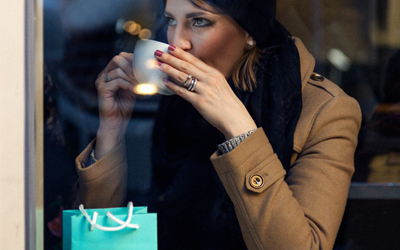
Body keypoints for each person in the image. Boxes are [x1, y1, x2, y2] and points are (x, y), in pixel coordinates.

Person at [74, 0, 362, 249]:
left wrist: (239, 129)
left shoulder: (327, 111)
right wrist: (110, 131)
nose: (177, 43)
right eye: (171, 20)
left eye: (199, 21)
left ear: (249, 31)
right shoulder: (175, 102)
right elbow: (96, 240)